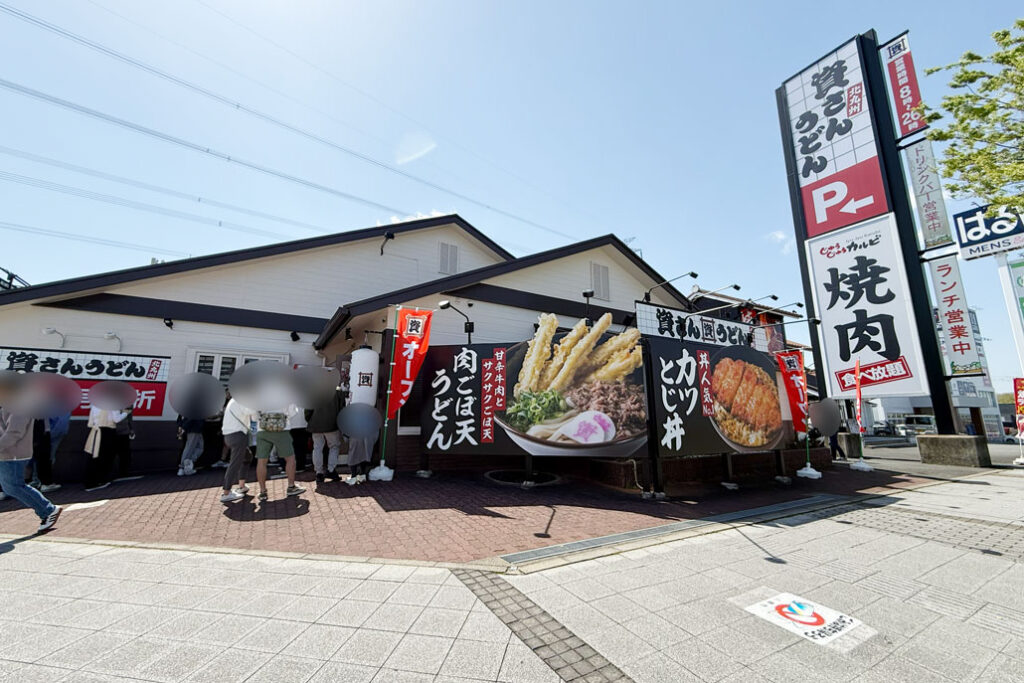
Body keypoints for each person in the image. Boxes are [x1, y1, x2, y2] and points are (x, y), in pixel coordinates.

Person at [0, 401, 62, 533]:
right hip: (8, 453)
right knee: (10, 487)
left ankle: (48, 510)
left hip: (13, 454)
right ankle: (47, 510)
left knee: (13, 486)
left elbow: (15, 433)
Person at [255, 406, 305, 501]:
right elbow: (293, 411)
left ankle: (262, 491)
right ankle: (291, 486)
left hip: (263, 428)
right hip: (282, 428)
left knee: (261, 461)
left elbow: (254, 413)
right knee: (290, 459)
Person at [219, 396, 256, 503]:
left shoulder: (234, 399)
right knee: (235, 463)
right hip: (238, 435)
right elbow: (253, 414)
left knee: (247, 457)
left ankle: (241, 486)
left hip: (229, 435)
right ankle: (226, 492)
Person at [84, 404, 127, 491]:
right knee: (106, 457)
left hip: (94, 432)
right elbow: (116, 419)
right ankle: (100, 480)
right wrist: (126, 413)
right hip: (107, 432)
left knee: (93, 455)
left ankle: (90, 481)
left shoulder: (94, 404)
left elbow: (90, 423)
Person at [306, 388, 344, 484]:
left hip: (316, 423)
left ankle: (319, 472)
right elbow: (342, 408)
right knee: (334, 446)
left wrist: (310, 420)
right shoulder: (338, 391)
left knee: (317, 447)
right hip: (332, 424)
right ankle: (331, 470)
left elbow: (308, 410)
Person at [114, 408, 134, 480]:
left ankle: (124, 472)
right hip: (112, 430)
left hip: (124, 431)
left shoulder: (127, 403)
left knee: (125, 454)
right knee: (110, 454)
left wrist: (131, 429)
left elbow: (129, 416)